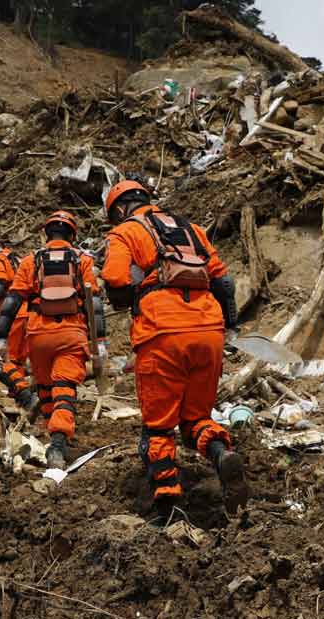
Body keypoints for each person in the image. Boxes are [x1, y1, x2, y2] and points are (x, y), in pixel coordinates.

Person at [100, 180, 249, 515]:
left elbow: (116, 281)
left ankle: (167, 506)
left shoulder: (125, 232)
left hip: (162, 333)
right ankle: (221, 454)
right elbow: (223, 282)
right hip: (209, 331)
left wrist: (132, 297)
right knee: (196, 417)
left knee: (159, 428)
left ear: (120, 209)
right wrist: (229, 327)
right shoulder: (191, 229)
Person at [0, 211, 104, 469]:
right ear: (72, 235)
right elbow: (94, 303)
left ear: (46, 233)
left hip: (38, 335)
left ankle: (50, 433)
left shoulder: (31, 261)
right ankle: (58, 442)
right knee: (64, 385)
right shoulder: (82, 260)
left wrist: (0, 338)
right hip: (71, 332)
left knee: (44, 388)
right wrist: (100, 341)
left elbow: (11, 302)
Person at [0, 238, 35, 412]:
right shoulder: (19, 259)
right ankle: (17, 393)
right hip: (31, 312)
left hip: (13, 314)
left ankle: (25, 395)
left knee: (1, 359)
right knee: (17, 359)